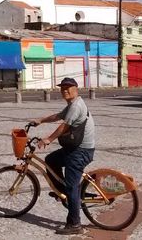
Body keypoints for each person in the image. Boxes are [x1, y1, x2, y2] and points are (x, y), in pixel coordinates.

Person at [30, 77, 95, 235]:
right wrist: (40, 121)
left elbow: (64, 126)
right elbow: (58, 116)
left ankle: (75, 224)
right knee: (51, 160)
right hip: (75, 148)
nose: (65, 90)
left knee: (72, 186)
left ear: (76, 89)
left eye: (68, 87)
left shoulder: (76, 106)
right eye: (62, 88)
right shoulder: (72, 104)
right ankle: (63, 193)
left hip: (81, 151)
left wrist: (48, 139)